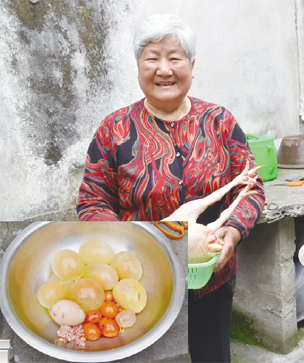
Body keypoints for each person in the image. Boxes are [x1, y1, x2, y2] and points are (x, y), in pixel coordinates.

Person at [76, 14, 265, 362]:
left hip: (210, 276)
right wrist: (130, 245)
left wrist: (234, 231)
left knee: (212, 356)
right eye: (152, 58)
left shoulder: (220, 122)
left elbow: (251, 187)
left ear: (192, 66)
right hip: (140, 280)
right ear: (138, 67)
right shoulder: (114, 129)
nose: (164, 69)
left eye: (174, 58)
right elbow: (92, 201)